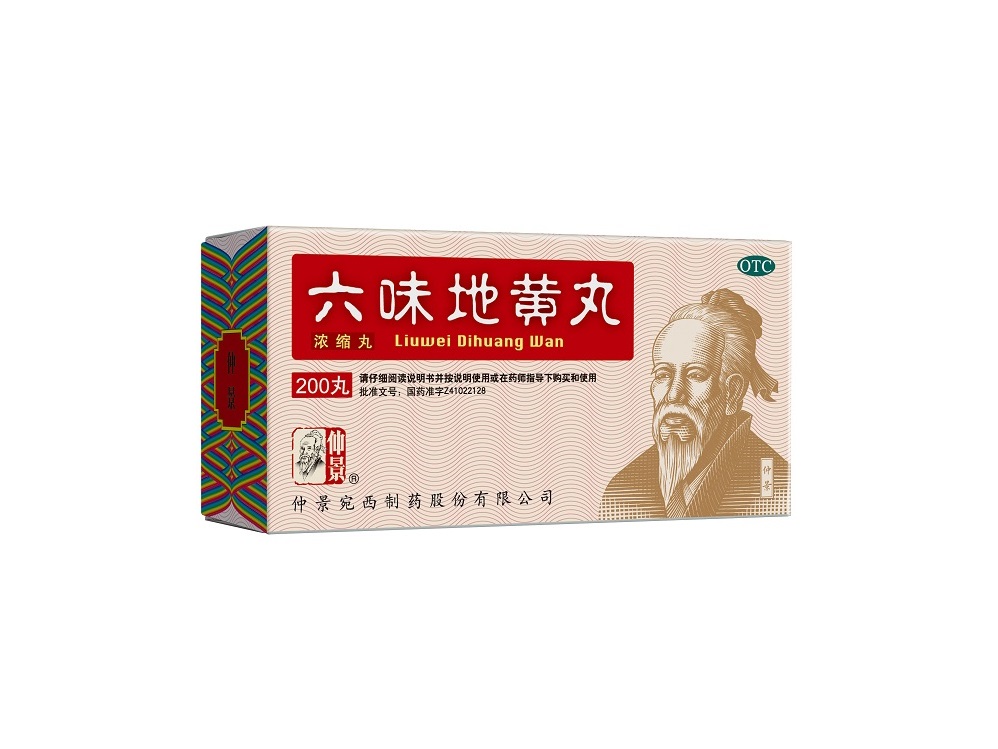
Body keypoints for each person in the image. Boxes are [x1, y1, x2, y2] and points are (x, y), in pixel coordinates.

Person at [601, 289, 789, 520]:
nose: (673, 395)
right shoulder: (623, 489)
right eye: (663, 374)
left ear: (733, 392)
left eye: (695, 374)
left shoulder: (777, 487)